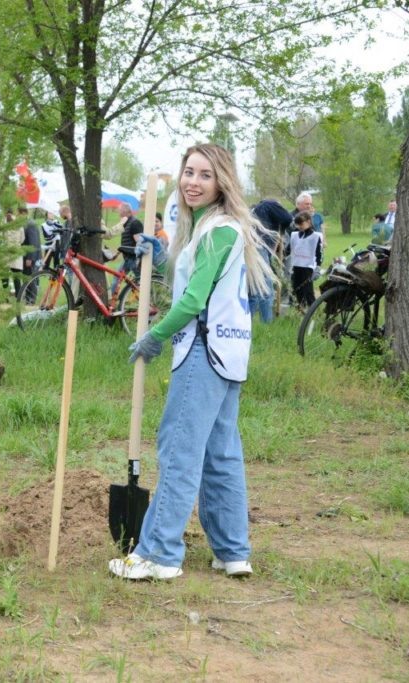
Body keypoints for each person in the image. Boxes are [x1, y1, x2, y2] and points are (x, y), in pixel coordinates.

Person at [113, 143, 274, 580]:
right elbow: (196, 278)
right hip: (229, 354)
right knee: (220, 453)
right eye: (188, 172)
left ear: (222, 181)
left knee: (179, 450)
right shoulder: (217, 229)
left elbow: (193, 300)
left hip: (202, 352)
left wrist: (155, 337)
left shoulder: (217, 229)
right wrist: (159, 254)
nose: (193, 182)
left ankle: (158, 554)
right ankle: (233, 551)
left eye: (204, 175)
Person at [248, 199, 292, 323]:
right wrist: (281, 229)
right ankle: (266, 324)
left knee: (253, 291)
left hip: (250, 247)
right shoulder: (270, 204)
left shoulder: (256, 211)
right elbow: (288, 219)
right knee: (266, 290)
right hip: (259, 247)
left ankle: (246, 324)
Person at [289, 211, 322, 309]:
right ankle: (299, 311)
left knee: (307, 291)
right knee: (296, 290)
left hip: (307, 267)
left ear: (308, 221)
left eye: (301, 224)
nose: (299, 226)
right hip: (296, 266)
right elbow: (288, 249)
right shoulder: (294, 235)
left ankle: (313, 312)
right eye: (298, 224)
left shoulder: (315, 236)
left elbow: (319, 254)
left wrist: (318, 267)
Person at [116, 202, 144, 274]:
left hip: (133, 258)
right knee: (118, 277)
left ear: (126, 212)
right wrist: (116, 254)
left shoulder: (135, 223)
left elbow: (140, 242)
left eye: (120, 211)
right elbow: (126, 242)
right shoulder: (126, 223)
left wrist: (139, 260)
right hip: (128, 258)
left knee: (137, 279)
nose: (119, 214)